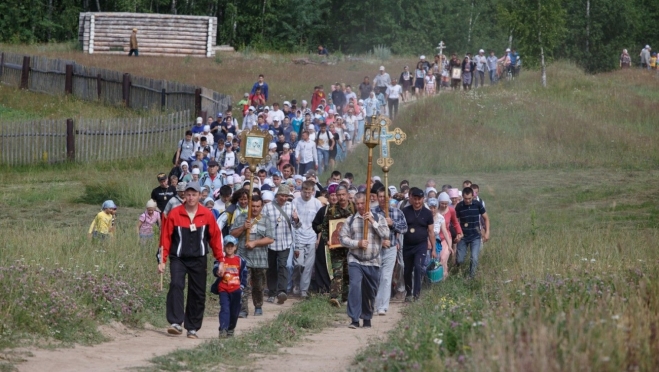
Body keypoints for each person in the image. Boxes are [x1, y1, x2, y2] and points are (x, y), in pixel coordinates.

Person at [158, 181, 225, 339]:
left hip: (199, 259)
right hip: (178, 258)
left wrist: (220, 259)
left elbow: (215, 238)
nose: (190, 197)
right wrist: (162, 260)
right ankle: (175, 322)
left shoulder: (207, 214)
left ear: (200, 196)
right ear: (184, 195)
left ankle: (192, 327)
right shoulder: (175, 213)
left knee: (197, 292)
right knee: (176, 284)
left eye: (194, 194)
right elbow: (165, 238)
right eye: (188, 194)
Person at [339, 192, 389, 329]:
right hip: (355, 260)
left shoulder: (379, 218)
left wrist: (373, 222)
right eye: (357, 204)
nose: (360, 206)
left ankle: (367, 317)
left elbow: (386, 234)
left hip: (373, 261)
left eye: (362, 203)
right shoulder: (350, 220)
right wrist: (357, 243)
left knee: (370, 291)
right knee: (355, 286)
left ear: (367, 203)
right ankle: (354, 318)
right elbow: (342, 238)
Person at [230, 195, 275, 317]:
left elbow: (270, 239)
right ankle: (243, 309)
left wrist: (255, 243)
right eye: (253, 206)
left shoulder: (266, 220)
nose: (255, 209)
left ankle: (258, 305)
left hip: (260, 260)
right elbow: (232, 234)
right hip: (244, 258)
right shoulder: (241, 218)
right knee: (243, 285)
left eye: (257, 206)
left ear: (261, 207)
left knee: (259, 286)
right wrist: (243, 228)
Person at [315, 185, 356, 307]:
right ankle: (334, 297)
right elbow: (324, 228)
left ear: (348, 195)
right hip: (336, 248)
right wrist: (327, 240)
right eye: (339, 195)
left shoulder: (354, 209)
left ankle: (346, 297)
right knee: (337, 273)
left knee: (348, 273)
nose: (341, 197)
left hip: (351, 248)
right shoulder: (331, 211)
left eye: (343, 194)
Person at [372, 188, 407, 316]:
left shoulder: (397, 212)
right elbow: (368, 231)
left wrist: (393, 224)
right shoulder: (372, 212)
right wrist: (380, 242)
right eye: (380, 196)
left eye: (385, 196)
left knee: (386, 277)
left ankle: (382, 306)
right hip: (375, 249)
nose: (382, 199)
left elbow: (404, 228)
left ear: (390, 197)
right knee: (376, 276)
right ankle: (374, 303)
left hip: (391, 248)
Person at [263, 185, 297, 305]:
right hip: (270, 242)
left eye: (286, 196)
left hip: (285, 241)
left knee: (283, 266)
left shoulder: (291, 206)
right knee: (271, 267)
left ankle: (282, 292)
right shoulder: (267, 207)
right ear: (277, 196)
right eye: (281, 195)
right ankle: (271, 292)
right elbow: (262, 223)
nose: (283, 198)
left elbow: (297, 225)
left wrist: (296, 219)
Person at [401, 187, 436, 301]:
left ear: (423, 199)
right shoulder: (405, 211)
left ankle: (417, 294)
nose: (417, 202)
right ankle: (408, 292)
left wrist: (434, 249)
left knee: (418, 267)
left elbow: (431, 232)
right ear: (411, 198)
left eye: (419, 199)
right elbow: (400, 228)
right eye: (415, 199)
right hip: (407, 245)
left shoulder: (427, 213)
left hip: (421, 245)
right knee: (407, 270)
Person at [210, 235, 247, 338]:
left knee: (235, 311)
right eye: (227, 246)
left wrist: (242, 286)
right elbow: (215, 270)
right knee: (225, 309)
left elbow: (244, 275)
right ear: (224, 247)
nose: (230, 248)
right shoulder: (220, 260)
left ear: (235, 247)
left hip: (236, 290)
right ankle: (223, 329)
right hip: (223, 290)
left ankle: (230, 329)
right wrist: (218, 271)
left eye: (232, 246)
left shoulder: (240, 261)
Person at [292, 180, 323, 298]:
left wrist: (318, 238)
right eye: (305, 192)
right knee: (298, 264)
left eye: (309, 192)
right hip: (298, 236)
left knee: (308, 265)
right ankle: (296, 282)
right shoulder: (295, 202)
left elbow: (320, 223)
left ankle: (304, 290)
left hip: (311, 236)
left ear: (313, 192)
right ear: (301, 191)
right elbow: (293, 222)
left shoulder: (316, 203)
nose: (307, 194)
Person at [454, 187, 490, 278]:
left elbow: (486, 218)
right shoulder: (459, 206)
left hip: (475, 236)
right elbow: (455, 221)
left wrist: (487, 232)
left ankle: (472, 277)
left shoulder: (478, 204)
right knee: (460, 259)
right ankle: (458, 271)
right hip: (463, 236)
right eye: (465, 198)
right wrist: (457, 233)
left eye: (469, 198)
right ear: (462, 197)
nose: (467, 200)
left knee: (474, 258)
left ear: (473, 196)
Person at [427, 198, 453, 279]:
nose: (432, 210)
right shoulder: (425, 216)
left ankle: (436, 279)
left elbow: (445, 232)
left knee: (436, 261)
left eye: (434, 207)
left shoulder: (440, 217)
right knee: (427, 261)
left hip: (436, 241)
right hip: (426, 240)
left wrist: (449, 246)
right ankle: (426, 279)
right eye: (431, 207)